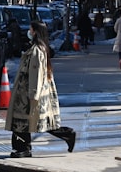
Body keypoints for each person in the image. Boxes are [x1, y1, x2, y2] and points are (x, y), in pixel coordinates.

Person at [5, 20, 76, 157]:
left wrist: (33, 94)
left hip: (27, 93)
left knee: (25, 121)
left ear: (35, 32)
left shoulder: (37, 51)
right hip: (29, 92)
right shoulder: (39, 48)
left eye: (31, 30)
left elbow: (35, 74)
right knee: (38, 121)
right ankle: (65, 134)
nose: (29, 32)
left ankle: (23, 149)